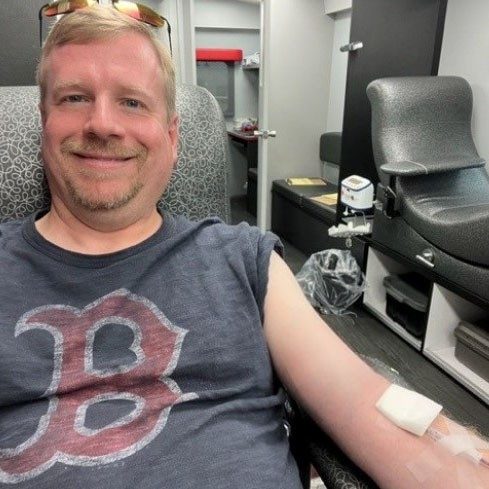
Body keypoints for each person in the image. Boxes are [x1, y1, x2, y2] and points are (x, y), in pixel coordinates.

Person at [0, 4, 487, 489]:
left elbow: (368, 404)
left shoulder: (242, 260)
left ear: (172, 138)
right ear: (44, 123)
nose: (102, 124)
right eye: (74, 98)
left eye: (132, 102)